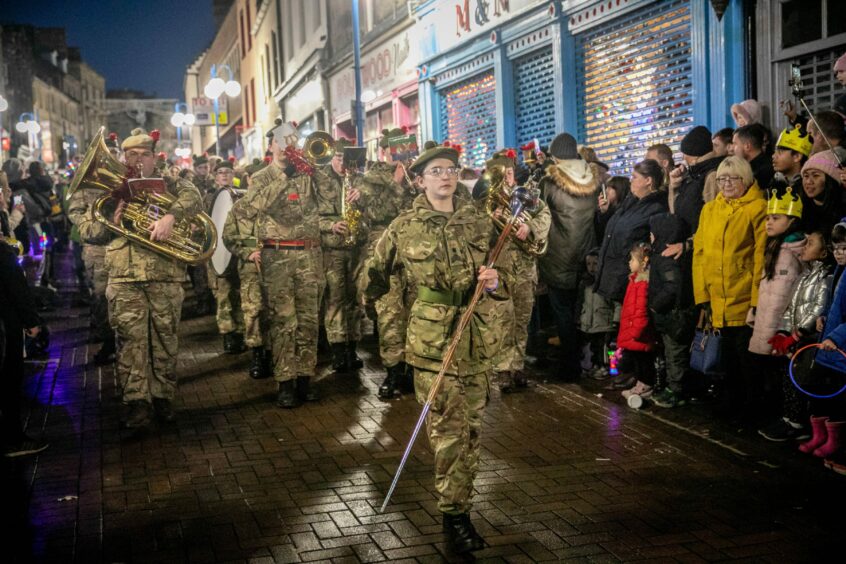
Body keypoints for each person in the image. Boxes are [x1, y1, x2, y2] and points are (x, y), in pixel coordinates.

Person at [362, 142, 502, 554]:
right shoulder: (404, 226)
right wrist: (377, 304)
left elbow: (505, 272)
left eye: (451, 169)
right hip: (432, 341)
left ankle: (459, 503)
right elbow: (374, 273)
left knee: (472, 429)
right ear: (419, 180)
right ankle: (455, 513)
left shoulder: (480, 220)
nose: (446, 176)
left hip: (476, 337)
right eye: (437, 170)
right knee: (448, 430)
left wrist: (496, 281)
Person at [106, 128, 203, 430]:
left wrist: (171, 216)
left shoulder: (172, 183)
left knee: (165, 339)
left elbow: (195, 197)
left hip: (164, 274)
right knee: (130, 343)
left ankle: (163, 397)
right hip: (124, 276)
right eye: (131, 155)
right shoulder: (109, 188)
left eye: (143, 155)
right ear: (123, 158)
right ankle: (137, 403)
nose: (137, 161)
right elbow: (85, 227)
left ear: (154, 157)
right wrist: (111, 220)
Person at [240, 119, 324, 408]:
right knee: (283, 320)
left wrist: (315, 169)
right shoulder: (262, 177)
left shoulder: (308, 174)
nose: (288, 146)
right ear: (270, 145)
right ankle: (285, 381)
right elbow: (254, 206)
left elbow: (329, 197)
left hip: (309, 255)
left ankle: (305, 377)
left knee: (309, 320)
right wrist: (285, 175)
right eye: (282, 141)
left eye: (292, 141)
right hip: (278, 257)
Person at [693, 156, 767, 418]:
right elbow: (699, 254)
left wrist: (756, 302)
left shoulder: (758, 208)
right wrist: (703, 295)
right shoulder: (710, 209)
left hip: (743, 297)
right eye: (721, 178)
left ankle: (750, 409)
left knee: (746, 360)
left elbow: (760, 258)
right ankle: (731, 405)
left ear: (745, 179)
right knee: (724, 359)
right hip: (716, 298)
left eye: (732, 178)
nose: (725, 184)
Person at [358, 127, 418, 398]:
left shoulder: (418, 174)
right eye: (395, 150)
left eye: (404, 149)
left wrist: (418, 187)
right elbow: (375, 212)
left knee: (417, 313)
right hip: (386, 256)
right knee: (390, 315)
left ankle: (415, 371)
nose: (401, 156)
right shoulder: (371, 179)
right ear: (384, 152)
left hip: (416, 255)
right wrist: (396, 183)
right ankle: (394, 372)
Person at [485, 149, 550, 392]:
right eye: (502, 174)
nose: (507, 178)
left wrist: (530, 226)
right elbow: (480, 236)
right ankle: (502, 369)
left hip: (524, 270)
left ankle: (517, 365)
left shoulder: (527, 196)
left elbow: (545, 215)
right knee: (502, 320)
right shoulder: (488, 202)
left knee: (522, 320)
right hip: (500, 270)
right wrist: (492, 221)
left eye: (510, 173)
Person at [759, 228, 832, 442]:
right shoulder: (804, 275)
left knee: (803, 380)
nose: (804, 246)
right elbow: (791, 307)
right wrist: (783, 332)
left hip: (809, 340)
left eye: (810, 243)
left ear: (824, 251)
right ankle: (790, 418)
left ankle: (802, 423)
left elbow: (819, 307)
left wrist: (799, 334)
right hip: (795, 339)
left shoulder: (826, 277)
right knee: (788, 378)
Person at [538, 133, 600, 379]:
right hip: (587, 255)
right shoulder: (594, 179)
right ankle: (588, 360)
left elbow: (539, 216)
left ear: (555, 156)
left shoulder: (550, 182)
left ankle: (569, 367)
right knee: (582, 311)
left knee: (562, 313)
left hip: (558, 256)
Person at [747, 188, 806, 424]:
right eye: (768, 218)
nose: (769, 222)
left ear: (791, 221)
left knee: (782, 376)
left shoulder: (794, 252)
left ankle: (787, 420)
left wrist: (784, 328)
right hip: (768, 322)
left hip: (782, 328)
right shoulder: (774, 248)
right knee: (769, 375)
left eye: (776, 218)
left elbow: (790, 293)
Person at [314, 138, 366, 373]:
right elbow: (309, 216)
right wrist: (330, 225)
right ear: (330, 157)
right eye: (338, 159)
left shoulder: (359, 179)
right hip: (332, 249)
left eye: (346, 160)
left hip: (357, 248)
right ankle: (337, 349)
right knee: (335, 299)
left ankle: (351, 348)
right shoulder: (318, 180)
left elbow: (374, 211)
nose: (342, 164)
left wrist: (363, 197)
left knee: (354, 299)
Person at [222, 158, 271, 380]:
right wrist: (247, 253)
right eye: (255, 178)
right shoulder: (239, 208)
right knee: (253, 311)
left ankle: (275, 354)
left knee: (278, 312)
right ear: (249, 180)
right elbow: (228, 237)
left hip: (277, 266)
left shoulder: (276, 203)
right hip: (251, 268)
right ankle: (258, 355)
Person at [595, 160, 667, 304]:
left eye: (634, 177)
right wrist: (604, 213)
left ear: (648, 180)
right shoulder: (631, 201)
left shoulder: (656, 208)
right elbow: (613, 232)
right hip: (611, 276)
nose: (631, 181)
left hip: (627, 280)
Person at [0, 238, 46, 457]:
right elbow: (15, 285)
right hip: (5, 324)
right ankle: (13, 439)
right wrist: (31, 321)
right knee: (9, 380)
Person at [66, 169, 116, 365]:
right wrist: (91, 225)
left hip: (119, 246)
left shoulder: (123, 182)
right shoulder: (87, 186)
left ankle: (124, 340)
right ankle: (108, 340)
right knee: (101, 297)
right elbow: (74, 212)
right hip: (96, 249)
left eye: (114, 152)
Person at [648, 213, 696, 408]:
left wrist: (655, 305)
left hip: (673, 316)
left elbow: (672, 285)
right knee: (671, 353)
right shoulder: (664, 255)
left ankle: (677, 390)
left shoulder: (666, 258)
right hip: (670, 317)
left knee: (675, 354)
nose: (650, 236)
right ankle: (672, 386)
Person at [208, 159, 246, 354]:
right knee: (224, 297)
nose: (224, 175)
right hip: (218, 255)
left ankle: (241, 331)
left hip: (238, 254)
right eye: (220, 172)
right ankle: (228, 334)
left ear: (234, 176)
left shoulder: (242, 197)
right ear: (215, 177)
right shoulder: (208, 198)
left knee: (240, 295)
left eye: (228, 172)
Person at [615, 242, 657, 402]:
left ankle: (646, 385)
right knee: (638, 361)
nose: (629, 263)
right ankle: (640, 383)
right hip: (633, 331)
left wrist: (636, 330)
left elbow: (640, 310)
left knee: (643, 361)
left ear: (642, 262)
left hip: (639, 333)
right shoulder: (633, 281)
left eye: (632, 260)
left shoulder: (642, 285)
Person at [577, 248, 615, 379]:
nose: (591, 268)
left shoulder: (607, 282)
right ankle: (596, 365)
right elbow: (580, 302)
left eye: (595, 264)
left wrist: (616, 319)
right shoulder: (585, 283)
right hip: (590, 321)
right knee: (594, 346)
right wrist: (578, 317)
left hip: (604, 321)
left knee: (605, 347)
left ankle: (608, 368)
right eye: (589, 264)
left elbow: (615, 302)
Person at [800, 149, 846, 233]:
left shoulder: (843, 207)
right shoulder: (799, 208)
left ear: (830, 180)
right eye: (806, 176)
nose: (808, 182)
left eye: (815, 175)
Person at [733, 124, 775, 190]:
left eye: (735, 144)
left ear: (747, 146)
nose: (732, 148)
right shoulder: (747, 167)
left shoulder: (762, 173)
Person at [594, 176, 630, 242]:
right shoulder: (607, 209)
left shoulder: (625, 212)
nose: (606, 191)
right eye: (607, 187)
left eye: (610, 188)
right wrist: (603, 212)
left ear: (619, 190)